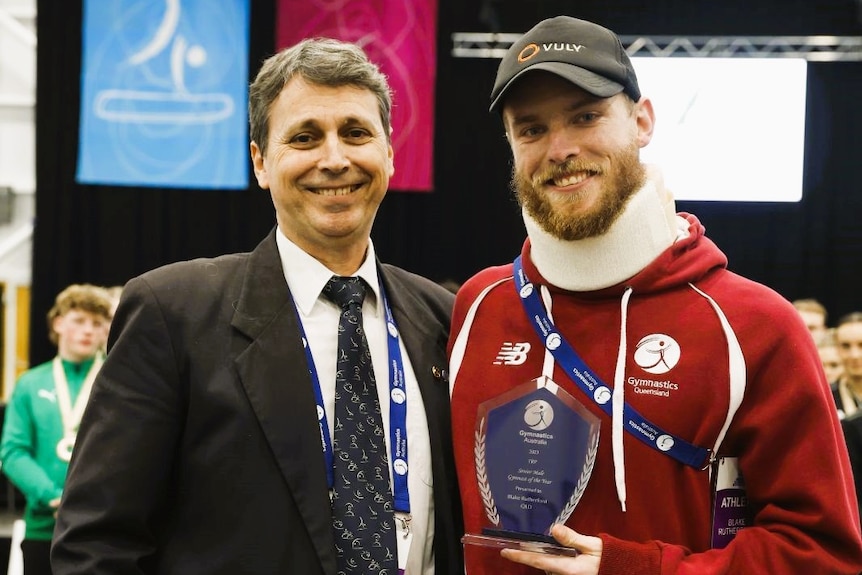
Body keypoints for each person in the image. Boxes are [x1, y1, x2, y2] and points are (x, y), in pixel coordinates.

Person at [448, 15, 862, 574]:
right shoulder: (479, 307)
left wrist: (639, 569)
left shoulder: (755, 325)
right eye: (531, 129)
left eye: (586, 116)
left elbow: (823, 554)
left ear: (643, 121)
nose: (560, 148)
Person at [51, 38, 463, 575]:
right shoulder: (172, 314)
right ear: (261, 162)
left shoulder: (446, 318)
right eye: (305, 137)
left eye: (356, 133)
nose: (334, 159)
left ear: (388, 152)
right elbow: (95, 544)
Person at [0, 284, 112, 575]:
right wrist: (52, 496)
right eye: (79, 320)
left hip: (103, 528)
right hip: (43, 527)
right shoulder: (30, 383)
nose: (88, 330)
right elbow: (12, 451)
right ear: (58, 323)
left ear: (106, 331)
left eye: (97, 323)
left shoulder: (117, 381)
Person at [832, 312, 862, 419]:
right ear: (836, 349)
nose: (855, 355)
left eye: (861, 345)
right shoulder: (827, 399)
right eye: (846, 346)